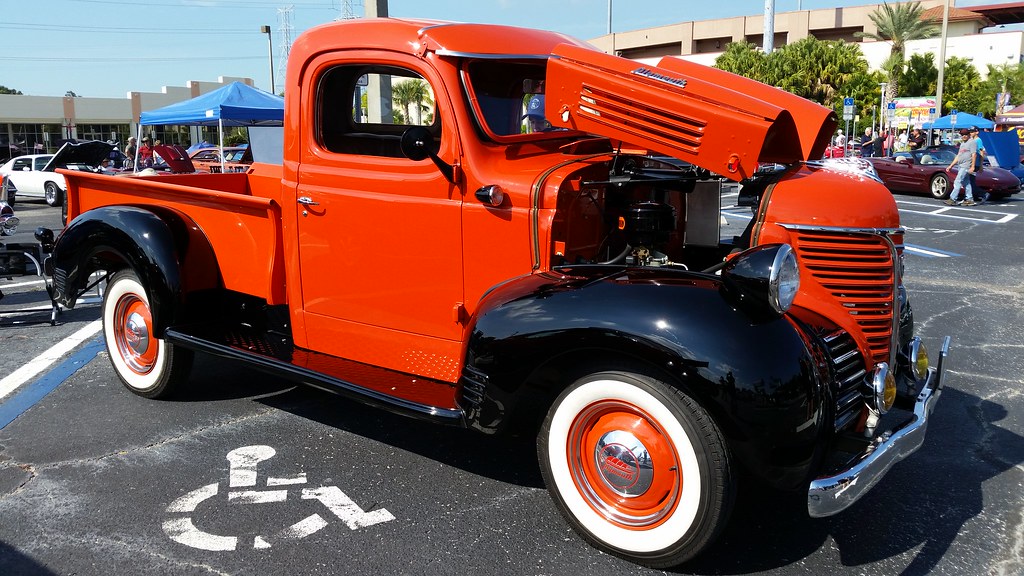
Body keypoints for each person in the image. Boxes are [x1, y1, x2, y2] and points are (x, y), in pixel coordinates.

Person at [945, 129, 977, 206]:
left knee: (957, 181)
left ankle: (953, 199)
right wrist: (951, 166)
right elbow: (958, 156)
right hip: (960, 165)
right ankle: (969, 199)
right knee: (966, 182)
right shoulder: (962, 143)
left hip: (966, 165)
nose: (964, 136)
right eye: (962, 135)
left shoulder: (972, 142)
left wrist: (972, 166)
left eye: (965, 134)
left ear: (969, 135)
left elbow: (974, 154)